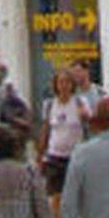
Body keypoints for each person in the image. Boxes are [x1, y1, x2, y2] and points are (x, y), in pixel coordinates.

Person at [38, 67, 89, 207]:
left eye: (67, 82)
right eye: (60, 82)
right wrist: (40, 155)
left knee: (76, 194)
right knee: (55, 196)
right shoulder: (49, 105)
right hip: (54, 156)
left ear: (72, 85)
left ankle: (72, 217)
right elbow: (46, 130)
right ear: (55, 85)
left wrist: (85, 116)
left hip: (75, 156)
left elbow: (90, 124)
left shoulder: (80, 102)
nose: (64, 85)